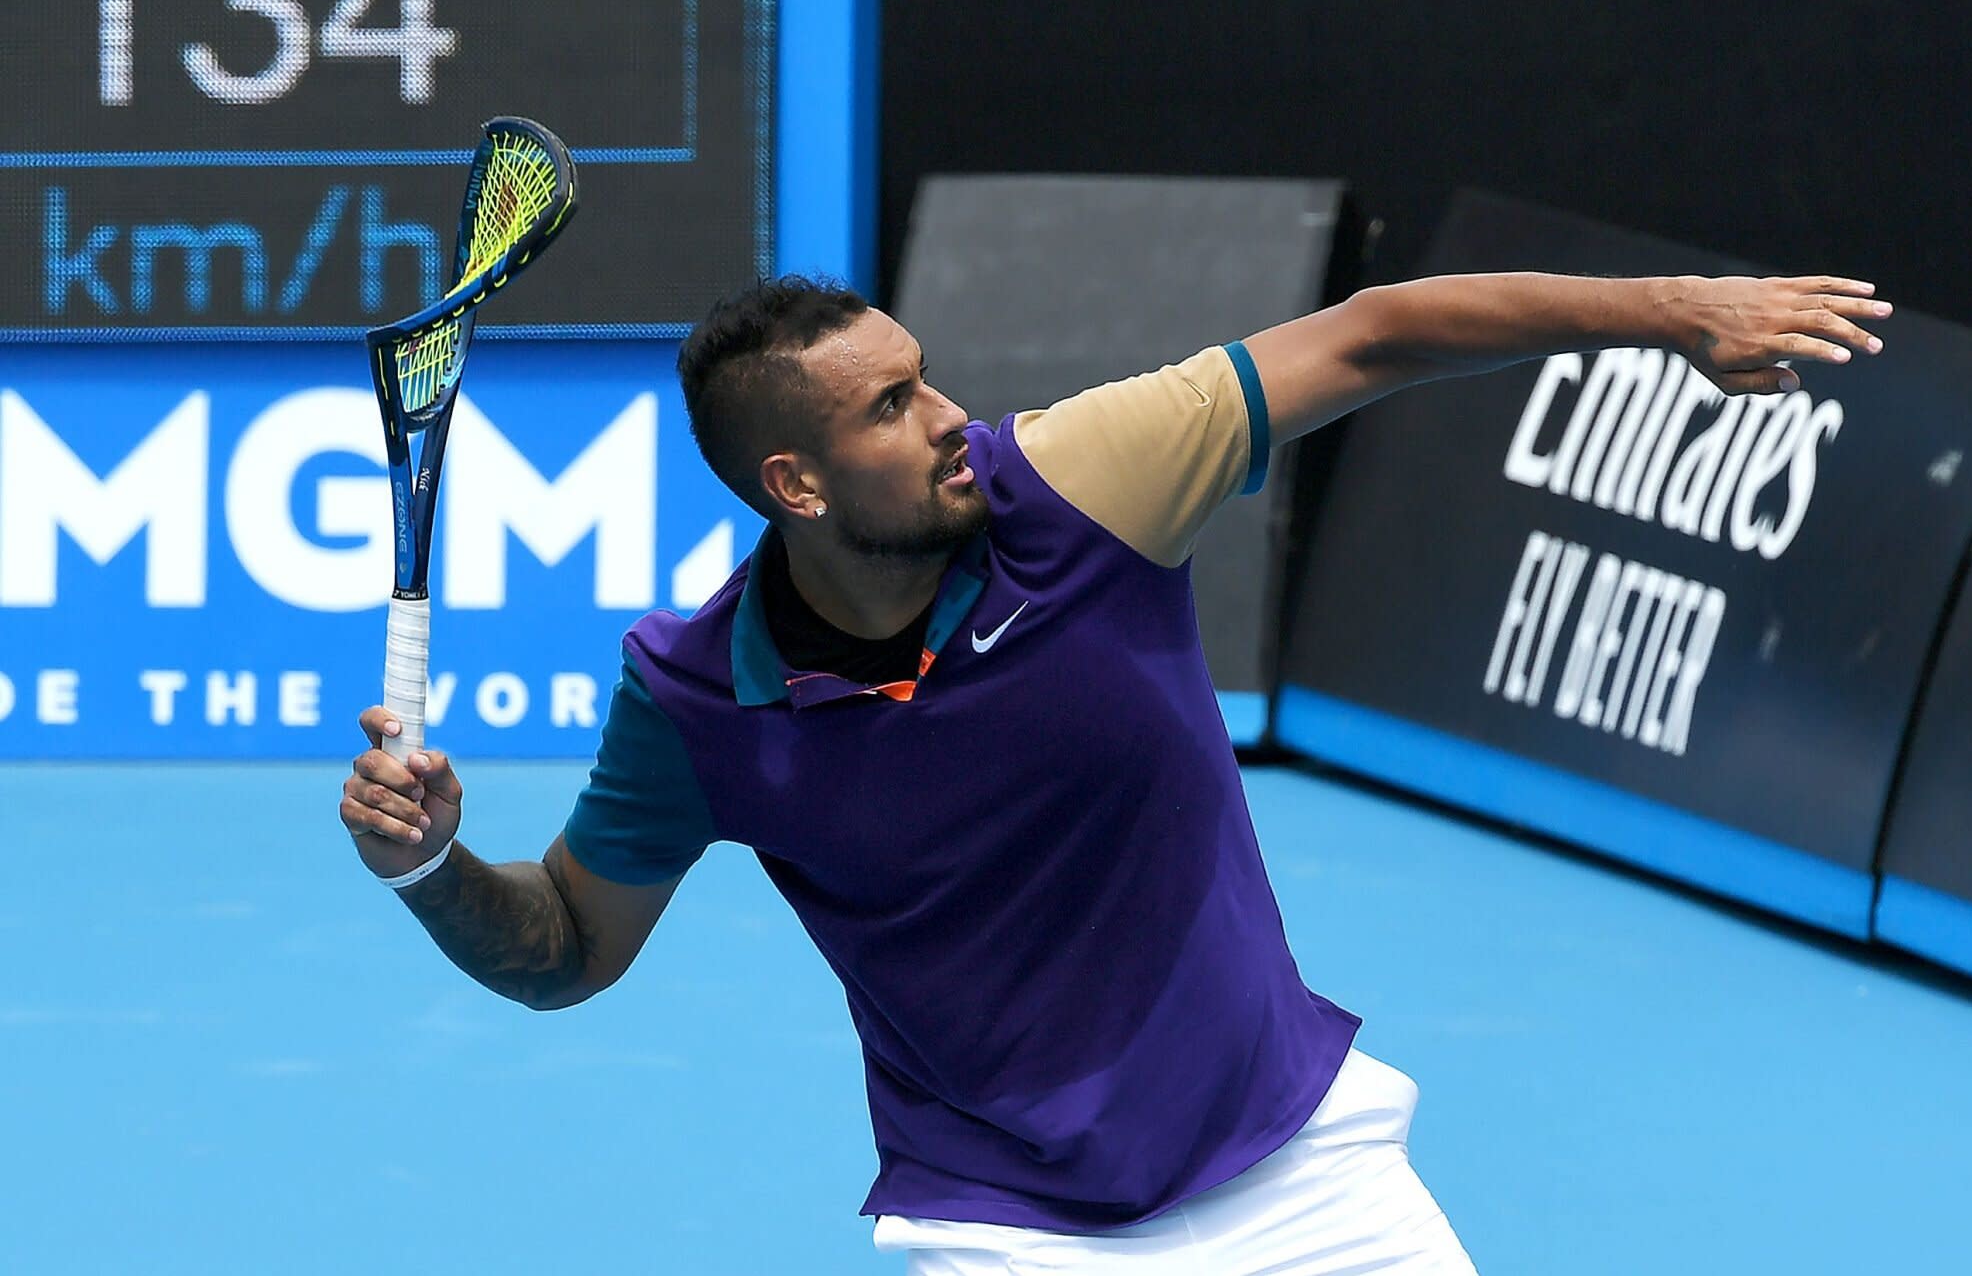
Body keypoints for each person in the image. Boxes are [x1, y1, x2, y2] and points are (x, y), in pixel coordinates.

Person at [340, 269, 1886, 1273]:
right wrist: (427, 865)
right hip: (1008, 1225)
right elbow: (563, 948)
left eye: (924, 374)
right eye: (891, 408)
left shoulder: (1085, 482)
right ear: (792, 482)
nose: (950, 417)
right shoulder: (695, 701)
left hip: (1296, 1162)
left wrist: (1672, 312)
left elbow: (1372, 331)